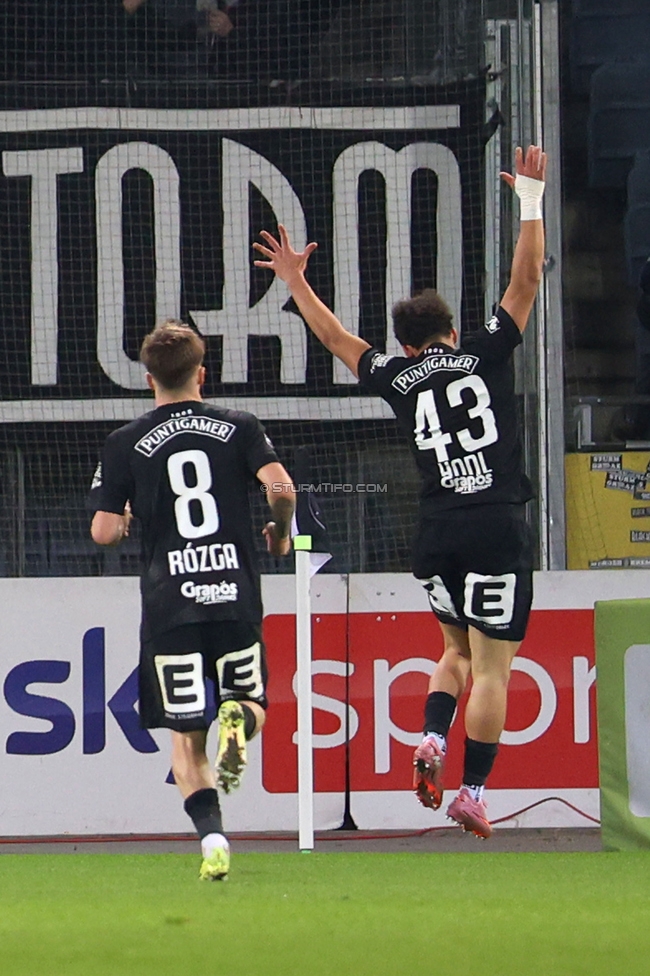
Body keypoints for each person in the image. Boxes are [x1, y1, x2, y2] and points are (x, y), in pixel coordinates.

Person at [253, 144, 546, 839]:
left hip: (438, 530)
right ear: (449, 333)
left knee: (455, 653)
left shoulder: (396, 376)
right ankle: (472, 791)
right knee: (495, 669)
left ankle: (433, 740)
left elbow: (335, 337)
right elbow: (525, 282)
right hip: (497, 522)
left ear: (408, 346)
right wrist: (530, 199)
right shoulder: (484, 350)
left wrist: (295, 280)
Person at [89, 320, 295, 878]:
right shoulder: (239, 424)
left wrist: (127, 516)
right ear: (203, 374)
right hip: (233, 595)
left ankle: (212, 843)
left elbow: (104, 532)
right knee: (250, 703)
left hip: (170, 605)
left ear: (149, 379)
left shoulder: (124, 441)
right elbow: (280, 488)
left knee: (186, 739)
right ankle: (236, 719)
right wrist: (279, 529)